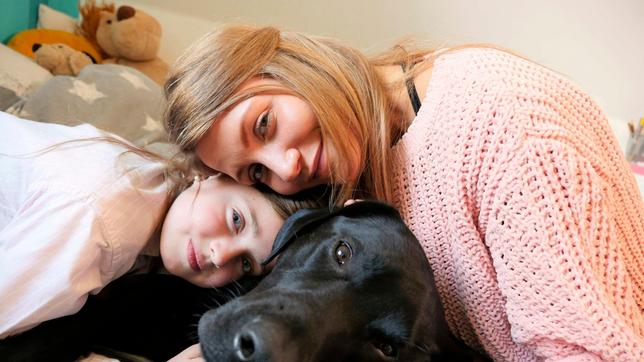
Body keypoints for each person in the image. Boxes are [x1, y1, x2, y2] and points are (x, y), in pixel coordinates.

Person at [163, 25, 644, 361]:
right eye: (256, 174)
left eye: (264, 124)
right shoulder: (355, 178)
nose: (286, 167)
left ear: (288, 62)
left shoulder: (503, 120)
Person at [0, 110, 325, 339]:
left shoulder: (151, 197)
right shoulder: (101, 219)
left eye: (245, 263)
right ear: (214, 175)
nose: (219, 254)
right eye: (236, 220)